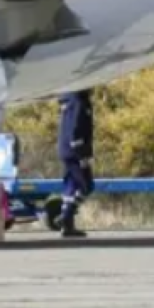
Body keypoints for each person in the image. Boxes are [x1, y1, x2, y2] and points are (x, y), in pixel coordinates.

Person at [56, 91, 95, 238]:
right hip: (75, 152)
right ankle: (66, 216)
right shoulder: (79, 102)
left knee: (71, 187)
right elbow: (76, 130)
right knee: (87, 185)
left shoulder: (69, 101)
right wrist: (82, 154)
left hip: (66, 150)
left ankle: (67, 226)